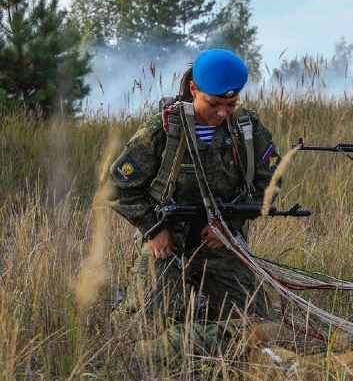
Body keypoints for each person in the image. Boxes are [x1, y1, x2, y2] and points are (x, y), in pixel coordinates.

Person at [108, 49, 280, 362]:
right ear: (194, 90)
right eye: (214, 104)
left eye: (231, 104)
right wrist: (153, 229)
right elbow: (119, 187)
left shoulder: (246, 129)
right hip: (166, 242)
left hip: (220, 242)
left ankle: (202, 336)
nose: (223, 112)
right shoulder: (163, 129)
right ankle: (157, 318)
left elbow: (270, 183)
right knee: (141, 330)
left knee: (260, 326)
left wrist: (228, 227)